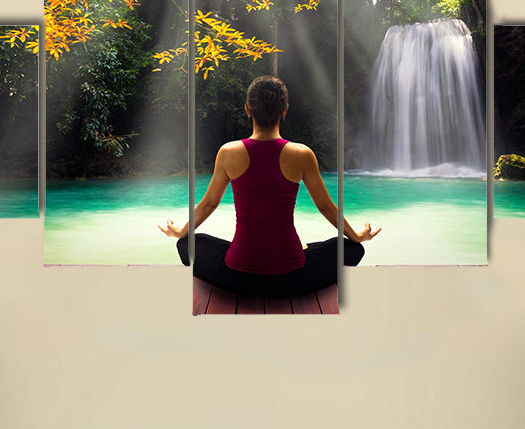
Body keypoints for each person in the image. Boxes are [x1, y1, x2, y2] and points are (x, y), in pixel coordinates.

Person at [158, 76, 380, 297]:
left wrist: (181, 231)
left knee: (185, 245)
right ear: (285, 110)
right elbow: (325, 207)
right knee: (353, 249)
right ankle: (303, 250)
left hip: (238, 277)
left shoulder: (228, 152)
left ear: (247, 109)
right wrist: (356, 236)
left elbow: (209, 204)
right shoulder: (302, 154)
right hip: (292, 278)